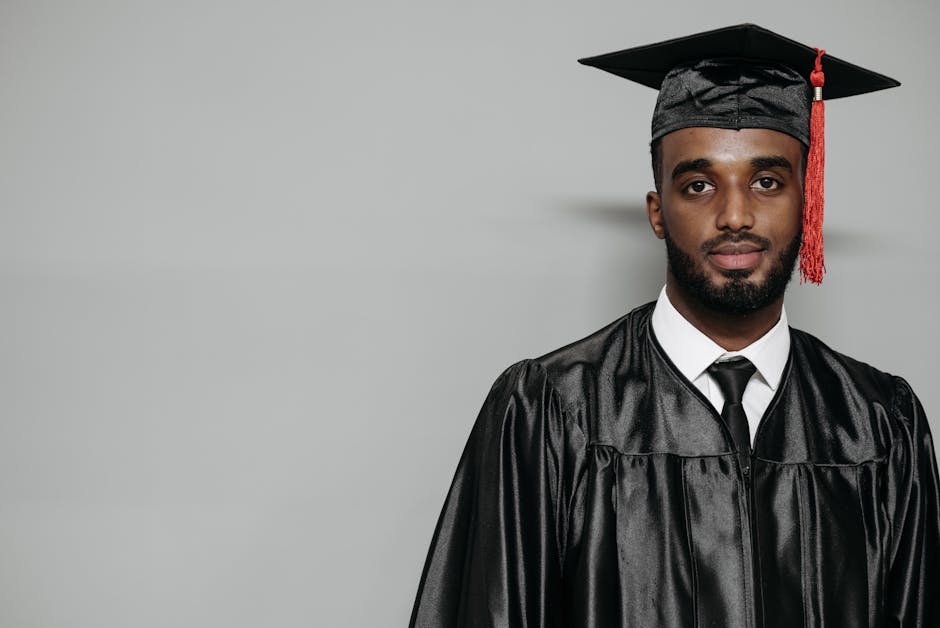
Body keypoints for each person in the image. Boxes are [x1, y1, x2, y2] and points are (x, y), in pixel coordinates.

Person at [410, 24, 940, 627]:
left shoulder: (879, 424)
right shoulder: (550, 412)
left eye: (767, 182)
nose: (735, 215)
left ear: (807, 200)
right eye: (698, 185)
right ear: (658, 212)